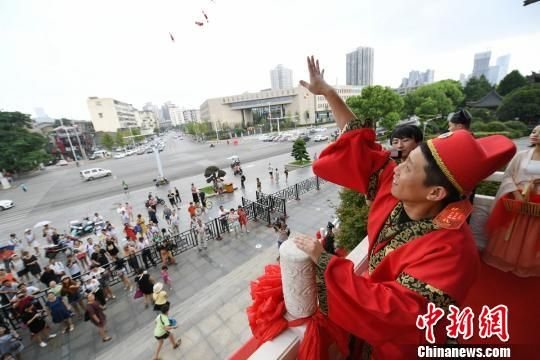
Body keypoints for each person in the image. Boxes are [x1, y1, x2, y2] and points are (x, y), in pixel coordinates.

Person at [292, 56, 516, 358]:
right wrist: (330, 93)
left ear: (436, 192)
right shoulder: (395, 186)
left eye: (408, 165)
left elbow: (397, 313)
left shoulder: (454, 252)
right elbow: (359, 147)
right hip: (374, 324)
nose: (395, 167)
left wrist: (327, 263)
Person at [483, 125, 540, 277]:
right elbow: (508, 175)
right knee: (511, 229)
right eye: (534, 131)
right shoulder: (521, 155)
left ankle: (525, 265)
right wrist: (516, 193)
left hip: (537, 202)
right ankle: (504, 260)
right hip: (516, 198)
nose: (535, 135)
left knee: (533, 232)